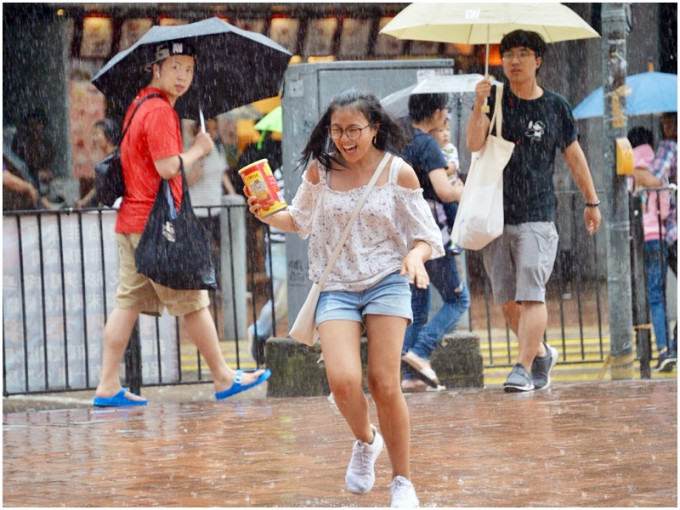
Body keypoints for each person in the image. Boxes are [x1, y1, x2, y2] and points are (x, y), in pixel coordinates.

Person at [247, 89, 444, 507]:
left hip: (386, 281)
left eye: (353, 129)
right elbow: (297, 221)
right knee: (341, 380)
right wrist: (264, 209)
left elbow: (427, 234)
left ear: (374, 128)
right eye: (336, 130)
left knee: (384, 382)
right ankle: (365, 440)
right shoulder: (321, 170)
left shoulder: (398, 172)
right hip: (335, 284)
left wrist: (414, 256)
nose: (344, 139)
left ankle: (402, 481)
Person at [93, 40, 270, 407]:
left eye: (188, 69)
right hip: (156, 225)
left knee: (126, 303)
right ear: (155, 69)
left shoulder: (138, 105)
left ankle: (107, 385)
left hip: (133, 221)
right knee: (193, 299)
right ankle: (223, 377)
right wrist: (199, 150)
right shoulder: (160, 112)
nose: (182, 77)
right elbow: (167, 168)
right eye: (174, 68)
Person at [467, 30, 601, 392]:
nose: (513, 61)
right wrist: (479, 106)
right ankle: (541, 352)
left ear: (538, 60)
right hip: (495, 214)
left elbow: (573, 155)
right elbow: (474, 144)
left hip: (538, 214)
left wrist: (592, 200)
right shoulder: (494, 98)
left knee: (532, 292)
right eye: (507, 54)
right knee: (506, 299)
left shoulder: (555, 106)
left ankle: (524, 368)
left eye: (522, 54)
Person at [401, 93, 470, 392]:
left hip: (408, 233)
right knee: (458, 299)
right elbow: (442, 191)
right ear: (435, 113)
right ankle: (421, 351)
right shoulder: (427, 143)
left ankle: (406, 376)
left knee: (417, 306)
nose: (445, 116)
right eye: (443, 111)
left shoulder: (402, 141)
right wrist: (461, 191)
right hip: (433, 234)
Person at [631, 116, 677, 371]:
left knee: (656, 295)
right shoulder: (659, 152)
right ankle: (673, 345)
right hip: (666, 233)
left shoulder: (669, 148)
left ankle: (664, 350)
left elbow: (654, 179)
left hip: (660, 234)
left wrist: (628, 167)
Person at [247, 163, 287, 365]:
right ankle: (259, 331)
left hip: (294, 243)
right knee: (283, 299)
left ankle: (262, 332)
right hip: (280, 244)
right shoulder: (280, 173)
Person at [10, 108, 58, 209]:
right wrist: (37, 172)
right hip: (23, 180)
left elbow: (46, 158)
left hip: (35, 182)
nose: (39, 127)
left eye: (41, 124)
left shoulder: (43, 142)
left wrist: (44, 171)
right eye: (36, 124)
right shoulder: (22, 139)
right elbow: (22, 163)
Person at [74, 119, 120, 209]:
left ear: (109, 136)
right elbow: (99, 187)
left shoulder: (117, 159)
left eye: (97, 134)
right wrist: (83, 202)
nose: (94, 138)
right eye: (93, 134)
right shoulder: (108, 158)